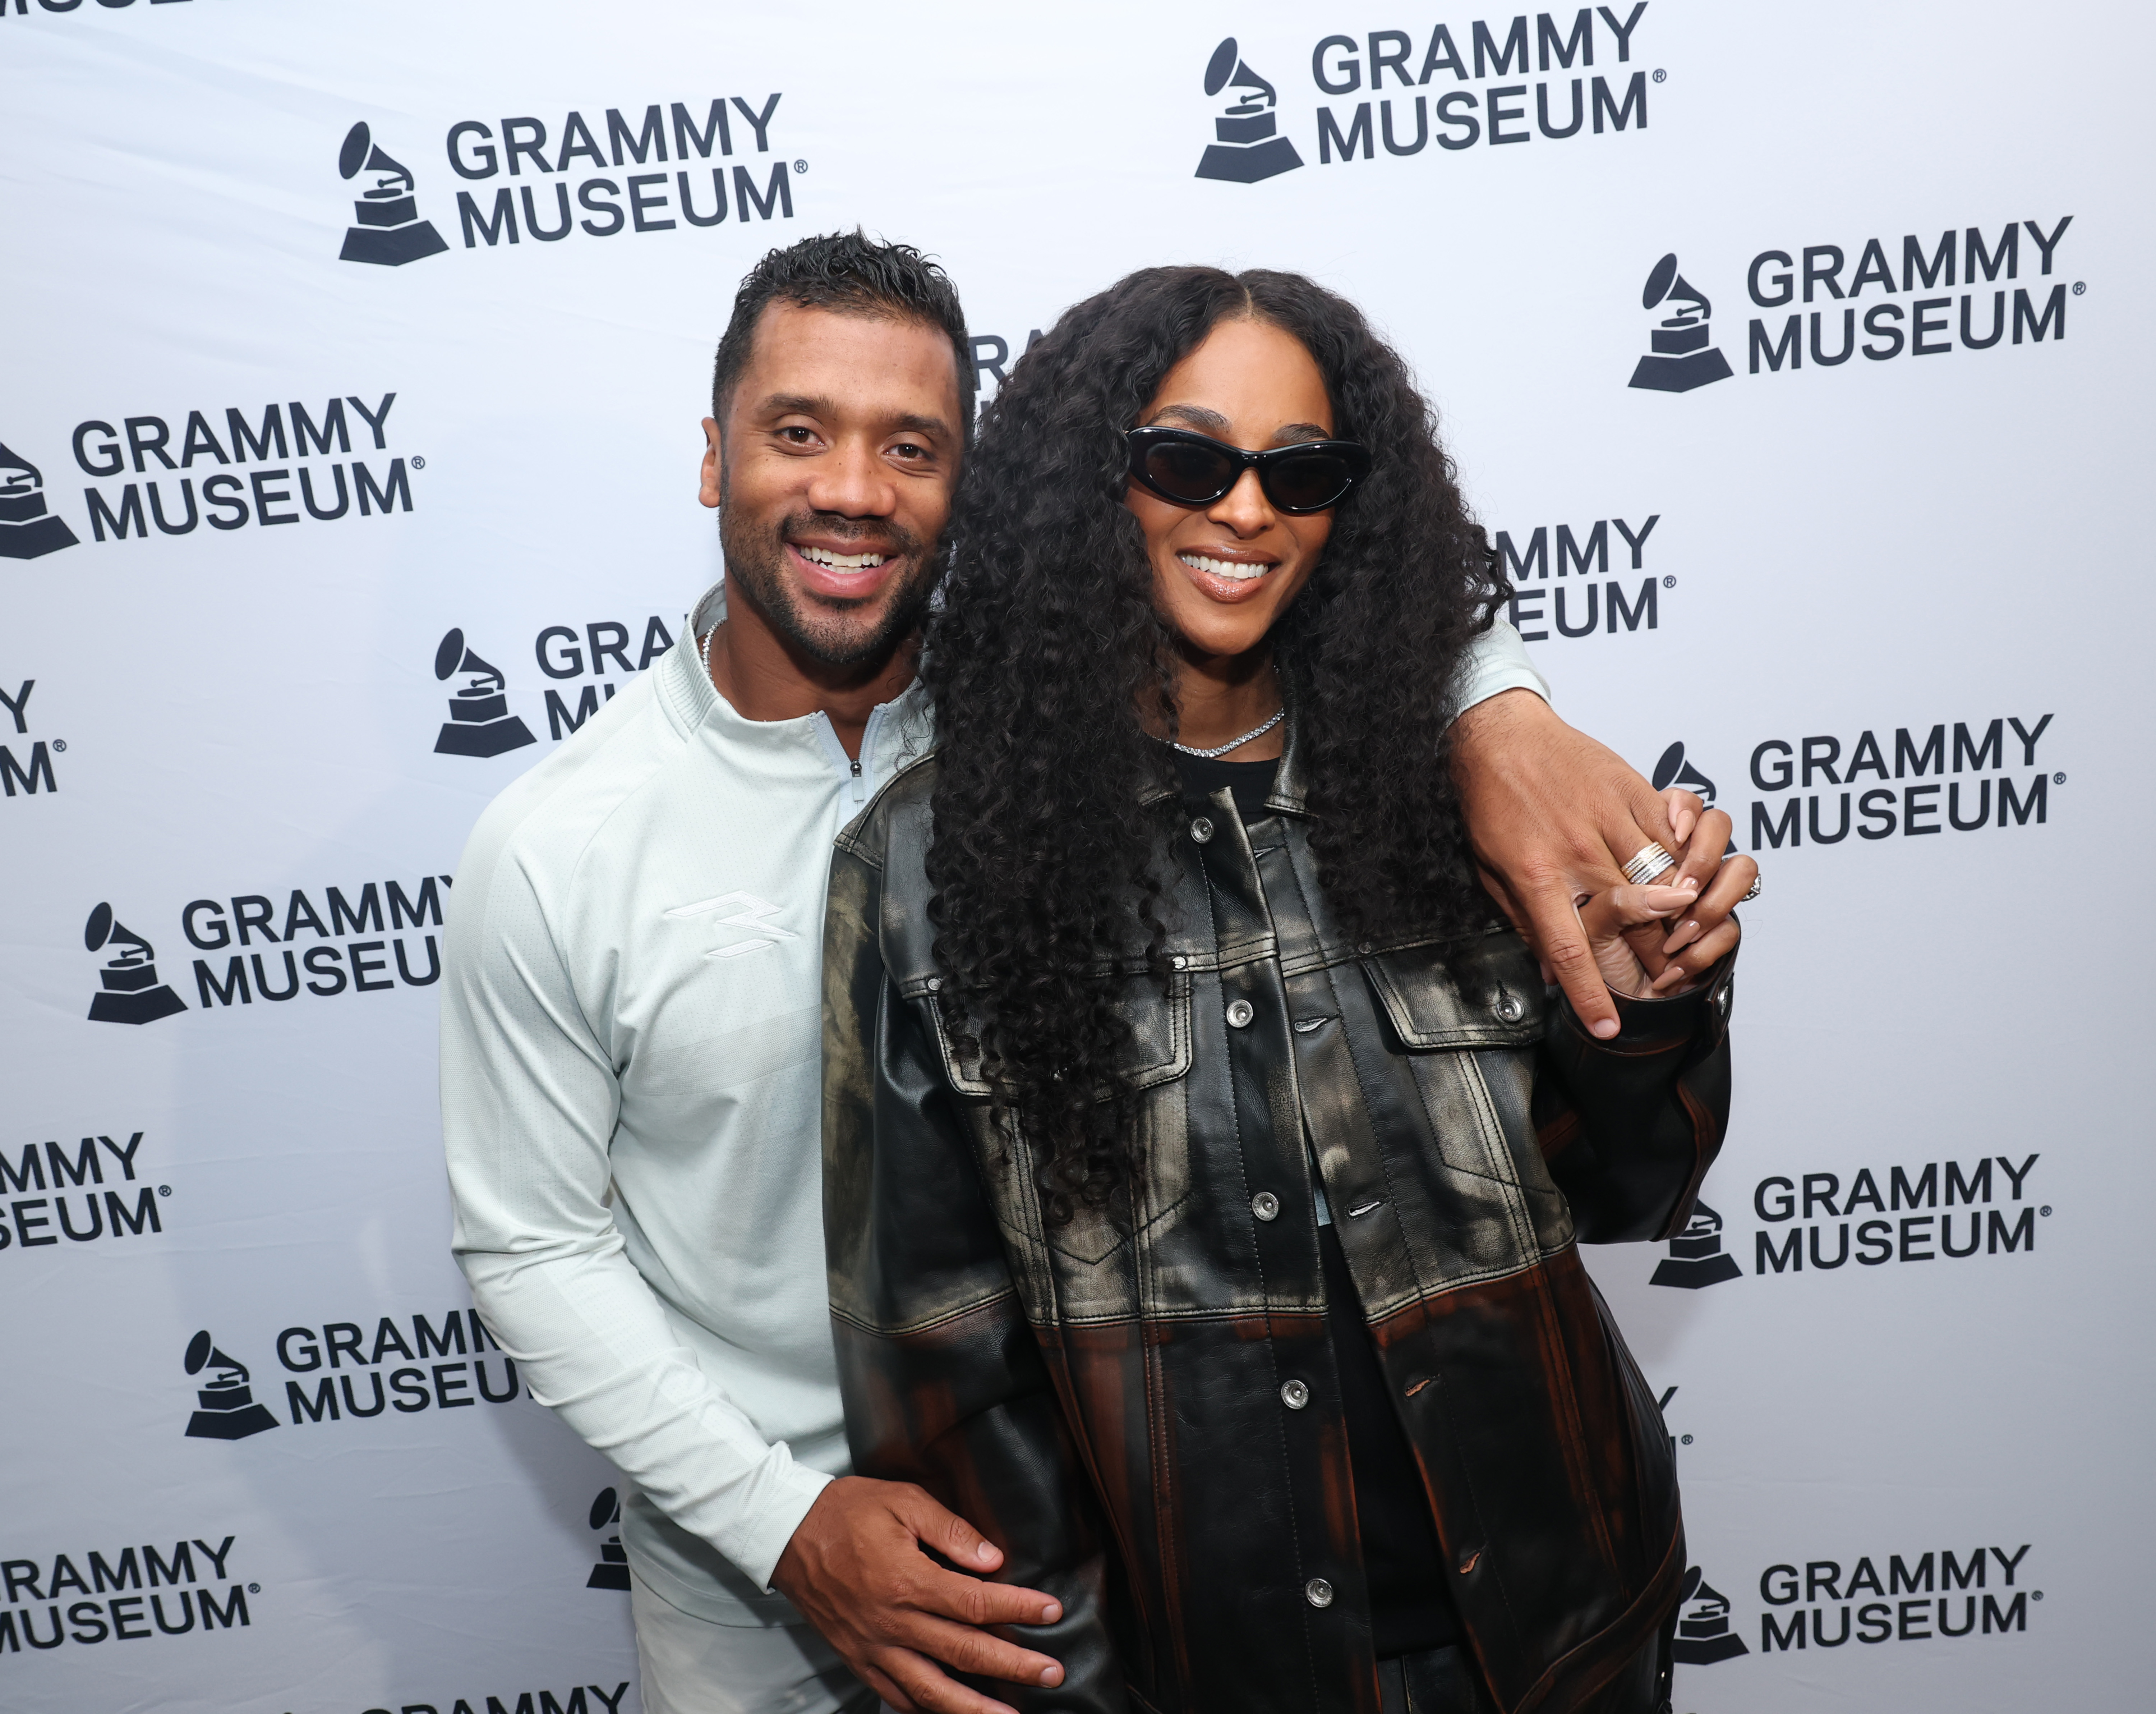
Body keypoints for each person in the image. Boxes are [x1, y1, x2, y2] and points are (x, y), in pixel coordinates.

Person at [443, 234, 1738, 1714]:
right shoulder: (595, 841)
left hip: (1430, 1610)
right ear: (713, 452)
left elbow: (1607, 1176)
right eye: (799, 430)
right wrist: (783, 1521)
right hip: (788, 1559)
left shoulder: (1103, 734)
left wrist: (1504, 716)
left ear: (979, 482)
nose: (855, 488)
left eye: (911, 445)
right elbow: (539, 1249)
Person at [821, 265, 1756, 1714]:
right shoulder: (931, 862)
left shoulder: (1466, 796)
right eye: (1187, 459)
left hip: (1565, 1633)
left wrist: (1651, 1008)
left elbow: (1633, 1185)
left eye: (1299, 472)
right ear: (1090, 483)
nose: (1247, 512)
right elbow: (948, 1370)